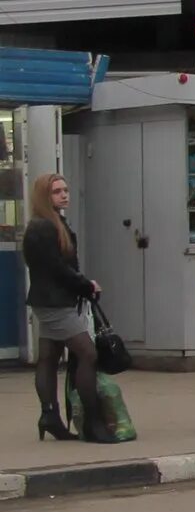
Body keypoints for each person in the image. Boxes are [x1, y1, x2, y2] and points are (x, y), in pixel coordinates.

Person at [25, 172, 116, 444]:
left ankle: (50, 416)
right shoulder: (44, 227)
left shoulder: (51, 223)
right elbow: (57, 268)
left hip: (50, 300)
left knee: (49, 356)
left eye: (65, 190)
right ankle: (92, 422)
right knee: (87, 354)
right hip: (57, 302)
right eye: (56, 191)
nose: (64, 195)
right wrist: (85, 285)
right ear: (44, 196)